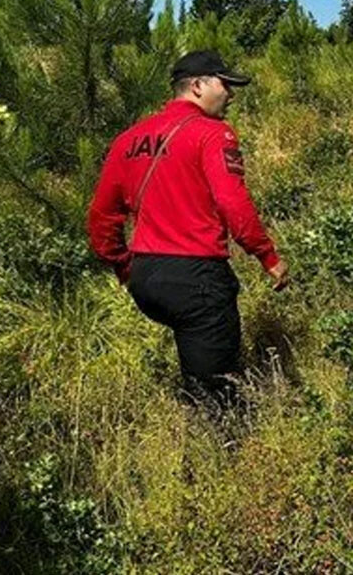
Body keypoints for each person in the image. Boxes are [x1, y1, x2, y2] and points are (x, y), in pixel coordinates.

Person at [87, 50, 288, 405]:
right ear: (197, 86)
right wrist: (268, 257)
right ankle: (221, 451)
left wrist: (124, 267)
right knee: (218, 396)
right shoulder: (212, 134)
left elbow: (102, 215)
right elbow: (233, 204)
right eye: (225, 84)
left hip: (146, 277)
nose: (231, 94)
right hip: (196, 276)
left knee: (196, 365)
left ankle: (189, 425)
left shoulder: (128, 139)